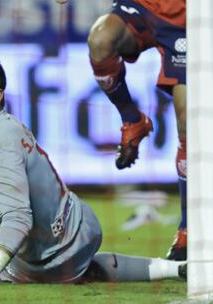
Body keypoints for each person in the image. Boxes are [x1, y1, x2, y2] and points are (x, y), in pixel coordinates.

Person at [0, 54, 186, 289]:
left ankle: (57, 270)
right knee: (78, 268)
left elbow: (19, 218)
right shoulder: (5, 125)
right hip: (79, 226)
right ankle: (174, 269)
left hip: (53, 254)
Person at [56, 0, 187, 260]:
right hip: (144, 6)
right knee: (101, 39)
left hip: (189, 20)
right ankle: (132, 119)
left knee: (187, 121)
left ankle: (188, 229)